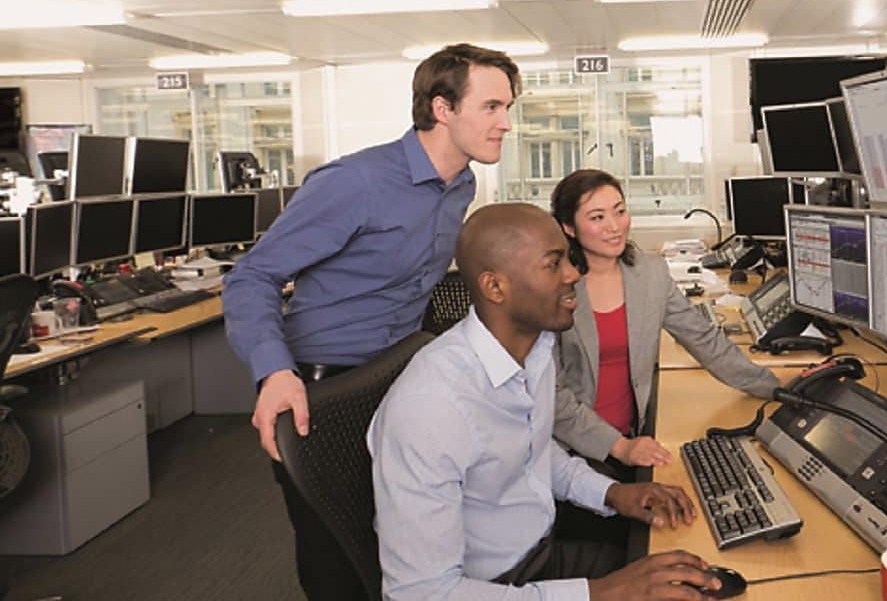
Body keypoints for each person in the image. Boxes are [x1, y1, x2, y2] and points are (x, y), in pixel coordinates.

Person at [222, 43, 520, 601]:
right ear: (442, 109)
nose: (506, 123)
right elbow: (250, 278)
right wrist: (273, 373)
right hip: (321, 386)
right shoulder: (355, 182)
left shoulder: (461, 185)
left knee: (404, 542)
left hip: (397, 377)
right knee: (335, 554)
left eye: (508, 108)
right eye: (492, 107)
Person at [368, 203, 722, 600]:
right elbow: (422, 594)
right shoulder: (431, 408)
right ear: (495, 287)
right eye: (554, 264)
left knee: (696, 578)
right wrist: (601, 594)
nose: (574, 274)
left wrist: (611, 494)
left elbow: (531, 450)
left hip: (540, 555)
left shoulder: (534, 351)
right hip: (484, 587)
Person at [550, 169, 780, 469]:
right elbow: (551, 395)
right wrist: (619, 447)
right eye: (597, 218)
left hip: (633, 438)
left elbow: (703, 338)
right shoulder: (555, 286)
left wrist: (774, 388)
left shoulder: (651, 273)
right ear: (569, 227)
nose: (615, 226)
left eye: (620, 211)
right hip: (572, 452)